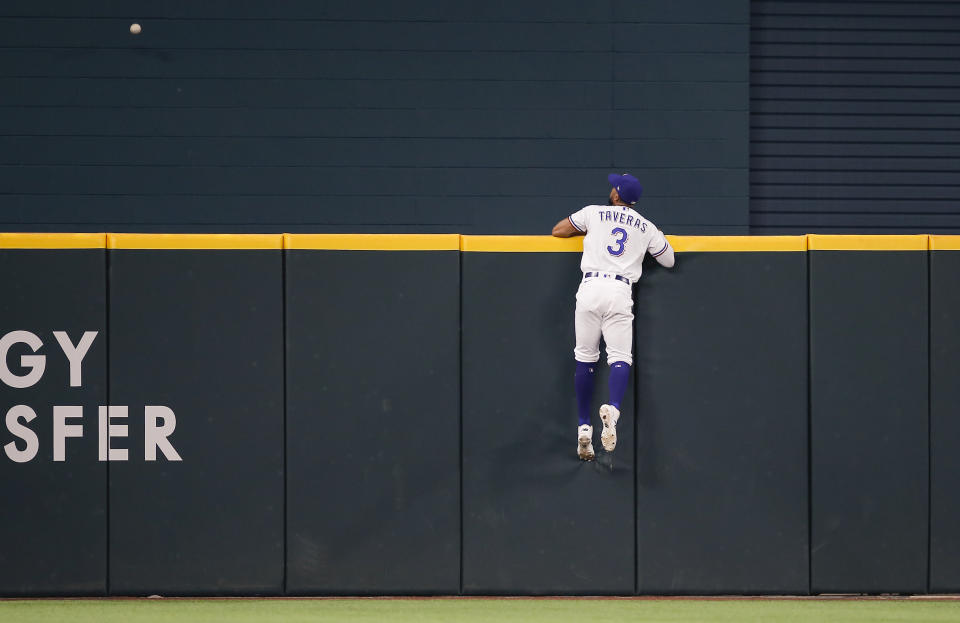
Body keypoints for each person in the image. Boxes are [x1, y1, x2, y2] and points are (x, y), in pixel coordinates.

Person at [551, 173, 675, 460]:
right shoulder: (646, 226)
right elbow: (669, 260)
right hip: (620, 289)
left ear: (616, 195)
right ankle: (614, 412)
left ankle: (584, 427)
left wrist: (590, 233)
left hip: (591, 287)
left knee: (585, 356)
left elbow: (558, 231)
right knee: (620, 357)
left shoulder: (594, 213)